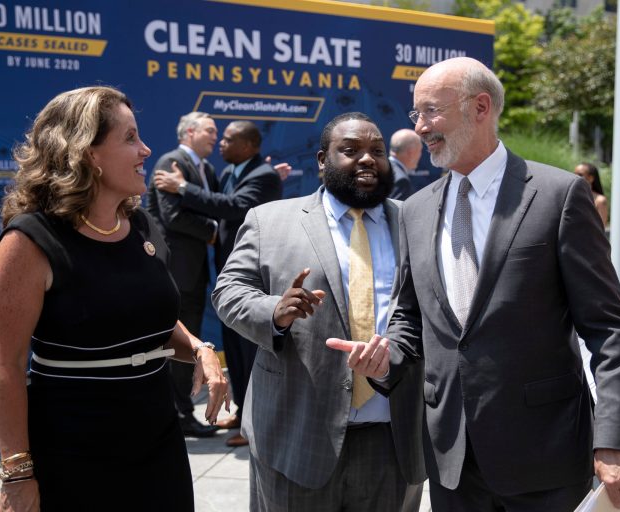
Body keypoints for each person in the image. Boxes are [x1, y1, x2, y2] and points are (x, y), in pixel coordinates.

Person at [328, 57, 620, 511]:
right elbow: (411, 316)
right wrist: (384, 358)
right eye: (416, 113)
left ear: (480, 107)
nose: (419, 127)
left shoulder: (557, 196)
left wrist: (615, 439)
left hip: (545, 456)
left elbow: (609, 329)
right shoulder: (415, 210)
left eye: (431, 111)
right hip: (452, 461)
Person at [0, 86, 228, 511]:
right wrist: (17, 474)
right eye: (130, 137)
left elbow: (148, 321)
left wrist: (199, 349)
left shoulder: (141, 225)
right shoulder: (30, 241)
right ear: (87, 153)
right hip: (73, 450)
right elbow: (5, 367)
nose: (146, 150)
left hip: (158, 440)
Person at [212, 112, 425, 511]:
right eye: (351, 150)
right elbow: (228, 291)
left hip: (393, 440)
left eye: (377, 151)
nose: (367, 159)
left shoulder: (416, 223)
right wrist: (273, 310)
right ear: (323, 160)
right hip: (296, 436)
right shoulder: (269, 220)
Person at [154, 120, 283, 447]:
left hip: (251, 278)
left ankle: (254, 422)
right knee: (235, 351)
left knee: (248, 351)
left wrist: (183, 187)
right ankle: (241, 413)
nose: (220, 142)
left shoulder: (262, 175)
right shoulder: (225, 172)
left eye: (226, 138)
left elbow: (233, 207)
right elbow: (208, 204)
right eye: (215, 134)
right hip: (225, 274)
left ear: (249, 146)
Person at [146, 111, 221, 438]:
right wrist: (214, 231)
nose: (215, 137)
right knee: (176, 343)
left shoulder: (207, 170)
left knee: (188, 344)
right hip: (174, 270)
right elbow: (172, 217)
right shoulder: (171, 162)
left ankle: (180, 410)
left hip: (194, 271)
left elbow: (216, 204)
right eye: (209, 130)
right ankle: (179, 413)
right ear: (189, 132)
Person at [388, 128, 422, 200]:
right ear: (411, 152)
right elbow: (393, 208)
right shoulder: (401, 181)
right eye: (420, 151)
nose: (420, 155)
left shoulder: (380, 168)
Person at [574, 162, 609, 226]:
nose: (575, 177)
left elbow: (601, 227)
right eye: (574, 174)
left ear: (591, 178)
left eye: (580, 175)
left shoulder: (600, 200)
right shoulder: (572, 196)